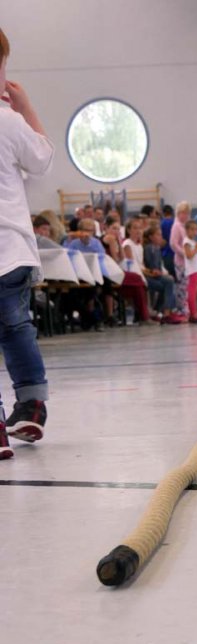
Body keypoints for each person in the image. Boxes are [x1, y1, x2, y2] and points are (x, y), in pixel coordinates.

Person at [0, 27, 55, 458]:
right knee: (16, 328)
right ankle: (32, 405)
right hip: (12, 250)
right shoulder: (9, 120)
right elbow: (42, 158)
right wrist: (26, 107)